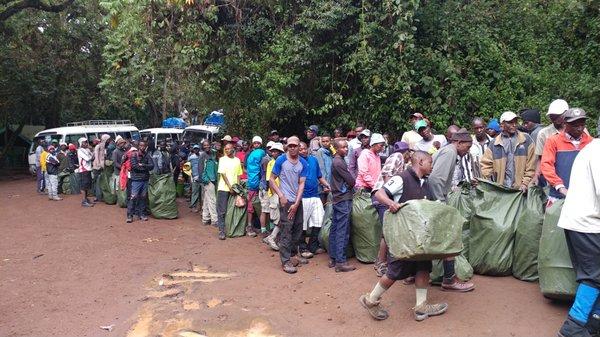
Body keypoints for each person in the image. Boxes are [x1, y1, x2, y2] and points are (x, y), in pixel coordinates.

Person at [359, 151, 447, 322]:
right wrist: (391, 203)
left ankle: (421, 306)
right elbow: (379, 193)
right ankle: (371, 300)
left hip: (420, 238)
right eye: (430, 162)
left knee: (423, 266)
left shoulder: (425, 183)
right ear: (420, 162)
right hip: (403, 238)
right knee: (395, 271)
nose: (432, 165)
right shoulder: (402, 178)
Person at [555, 138, 600, 337]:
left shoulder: (592, 148)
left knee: (595, 275)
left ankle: (594, 322)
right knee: (594, 275)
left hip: (581, 220)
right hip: (587, 223)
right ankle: (573, 327)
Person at [427, 128, 476, 292]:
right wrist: (441, 203)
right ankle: (449, 279)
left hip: (431, 200)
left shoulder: (448, 151)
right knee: (450, 237)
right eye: (467, 147)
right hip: (435, 201)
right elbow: (435, 179)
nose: (467, 151)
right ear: (459, 142)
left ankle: (416, 275)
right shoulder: (450, 152)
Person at [269, 136, 308, 274]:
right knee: (286, 230)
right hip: (286, 201)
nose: (292, 148)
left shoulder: (303, 163)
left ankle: (293, 255)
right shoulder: (281, 160)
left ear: (299, 147)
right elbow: (272, 179)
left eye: (295, 146)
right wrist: (281, 196)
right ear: (287, 147)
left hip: (297, 201)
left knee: (298, 228)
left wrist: (297, 203)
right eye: (290, 146)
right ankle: (285, 261)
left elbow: (301, 183)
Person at [372, 141, 410, 277]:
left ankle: (383, 261)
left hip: (383, 197)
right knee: (387, 232)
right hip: (383, 197)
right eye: (409, 154)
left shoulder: (398, 159)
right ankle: (381, 263)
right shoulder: (397, 157)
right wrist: (390, 199)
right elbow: (388, 176)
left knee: (388, 231)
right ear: (406, 152)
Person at [540, 108, 593, 206]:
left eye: (582, 124)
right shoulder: (553, 141)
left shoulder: (591, 142)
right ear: (565, 124)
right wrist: (560, 186)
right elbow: (546, 165)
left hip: (586, 196)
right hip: (559, 196)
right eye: (575, 125)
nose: (579, 128)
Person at [481, 111, 536, 191]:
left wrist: (525, 184)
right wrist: (492, 184)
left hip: (522, 190)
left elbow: (532, 165)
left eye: (515, 122)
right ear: (502, 125)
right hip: (502, 191)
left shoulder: (526, 140)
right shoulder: (494, 144)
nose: (514, 125)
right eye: (510, 123)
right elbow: (485, 166)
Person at [298, 142, 330, 258]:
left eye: (304, 148)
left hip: (315, 195)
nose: (303, 151)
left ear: (308, 149)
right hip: (302, 197)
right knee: (302, 223)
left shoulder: (313, 160)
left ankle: (313, 245)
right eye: (300, 149)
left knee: (319, 220)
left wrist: (328, 185)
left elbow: (319, 176)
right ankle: (302, 247)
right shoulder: (296, 162)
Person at [329, 139, 357, 272]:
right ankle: (340, 261)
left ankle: (334, 258)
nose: (346, 149)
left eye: (347, 147)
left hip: (337, 198)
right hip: (343, 198)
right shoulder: (339, 162)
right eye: (343, 147)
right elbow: (351, 181)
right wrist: (352, 184)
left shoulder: (336, 160)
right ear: (336, 148)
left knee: (335, 228)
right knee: (342, 230)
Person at [534, 99, 568, 185]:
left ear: (566, 114)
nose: (554, 119)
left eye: (557, 116)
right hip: (551, 178)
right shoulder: (544, 133)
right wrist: (536, 174)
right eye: (552, 116)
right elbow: (540, 158)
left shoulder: (577, 131)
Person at [216, 143, 243, 240]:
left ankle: (231, 229)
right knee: (222, 211)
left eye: (229, 149)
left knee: (232, 210)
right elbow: (223, 174)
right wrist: (230, 187)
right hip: (224, 188)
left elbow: (239, 175)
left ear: (233, 149)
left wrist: (238, 188)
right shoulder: (222, 159)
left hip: (235, 189)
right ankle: (221, 231)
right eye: (226, 149)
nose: (227, 151)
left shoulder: (237, 160)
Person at [262, 142, 285, 251]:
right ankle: (272, 237)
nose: (274, 153)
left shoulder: (282, 162)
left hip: (281, 193)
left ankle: (272, 237)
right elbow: (269, 180)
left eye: (276, 151)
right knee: (279, 218)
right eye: (273, 151)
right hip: (276, 193)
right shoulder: (271, 163)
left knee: (281, 217)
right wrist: (275, 195)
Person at [127, 140, 154, 223]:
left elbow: (152, 166)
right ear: (138, 146)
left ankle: (142, 214)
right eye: (141, 145)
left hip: (145, 180)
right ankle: (129, 215)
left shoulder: (147, 155)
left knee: (143, 197)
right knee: (133, 197)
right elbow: (135, 167)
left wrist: (142, 165)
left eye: (144, 146)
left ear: (146, 146)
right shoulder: (134, 155)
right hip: (136, 180)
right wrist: (145, 167)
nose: (142, 147)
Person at [245, 136, 266, 237]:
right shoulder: (258, 153)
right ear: (252, 144)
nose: (256, 145)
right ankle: (250, 226)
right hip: (254, 183)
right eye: (255, 143)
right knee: (252, 205)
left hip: (257, 183)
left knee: (257, 205)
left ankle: (256, 226)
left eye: (258, 143)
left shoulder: (258, 153)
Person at [201, 140, 219, 226]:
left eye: (208, 145)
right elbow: (200, 169)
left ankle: (205, 218)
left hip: (212, 179)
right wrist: (205, 179)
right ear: (203, 146)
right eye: (205, 145)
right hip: (208, 180)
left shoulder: (212, 154)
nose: (206, 147)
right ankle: (214, 220)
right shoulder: (203, 156)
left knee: (206, 199)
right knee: (212, 200)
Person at [315, 133, 334, 203]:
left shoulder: (331, 151)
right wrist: (324, 185)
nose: (325, 143)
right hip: (324, 185)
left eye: (327, 141)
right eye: (323, 141)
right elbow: (321, 169)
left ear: (330, 141)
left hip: (331, 183)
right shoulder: (320, 152)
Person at [92, 134, 111, 202]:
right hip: (97, 167)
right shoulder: (98, 146)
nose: (109, 141)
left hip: (103, 167)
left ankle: (102, 195)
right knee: (97, 182)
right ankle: (97, 196)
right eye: (108, 139)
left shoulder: (105, 147)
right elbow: (96, 157)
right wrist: (99, 165)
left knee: (102, 182)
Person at [77, 138, 94, 207]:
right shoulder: (80, 150)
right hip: (83, 170)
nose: (86, 144)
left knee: (87, 186)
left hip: (88, 169)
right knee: (84, 186)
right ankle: (84, 201)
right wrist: (91, 156)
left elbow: (92, 156)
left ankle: (86, 199)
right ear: (81, 143)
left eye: (86, 142)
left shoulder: (86, 150)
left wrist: (91, 152)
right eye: (84, 142)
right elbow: (88, 158)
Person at [188, 144, 204, 213]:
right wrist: (190, 177)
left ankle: (201, 207)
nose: (196, 150)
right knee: (195, 192)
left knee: (202, 193)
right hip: (194, 177)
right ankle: (193, 206)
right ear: (193, 150)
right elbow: (187, 168)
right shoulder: (191, 157)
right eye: (195, 149)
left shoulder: (202, 155)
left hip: (202, 177)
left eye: (197, 149)